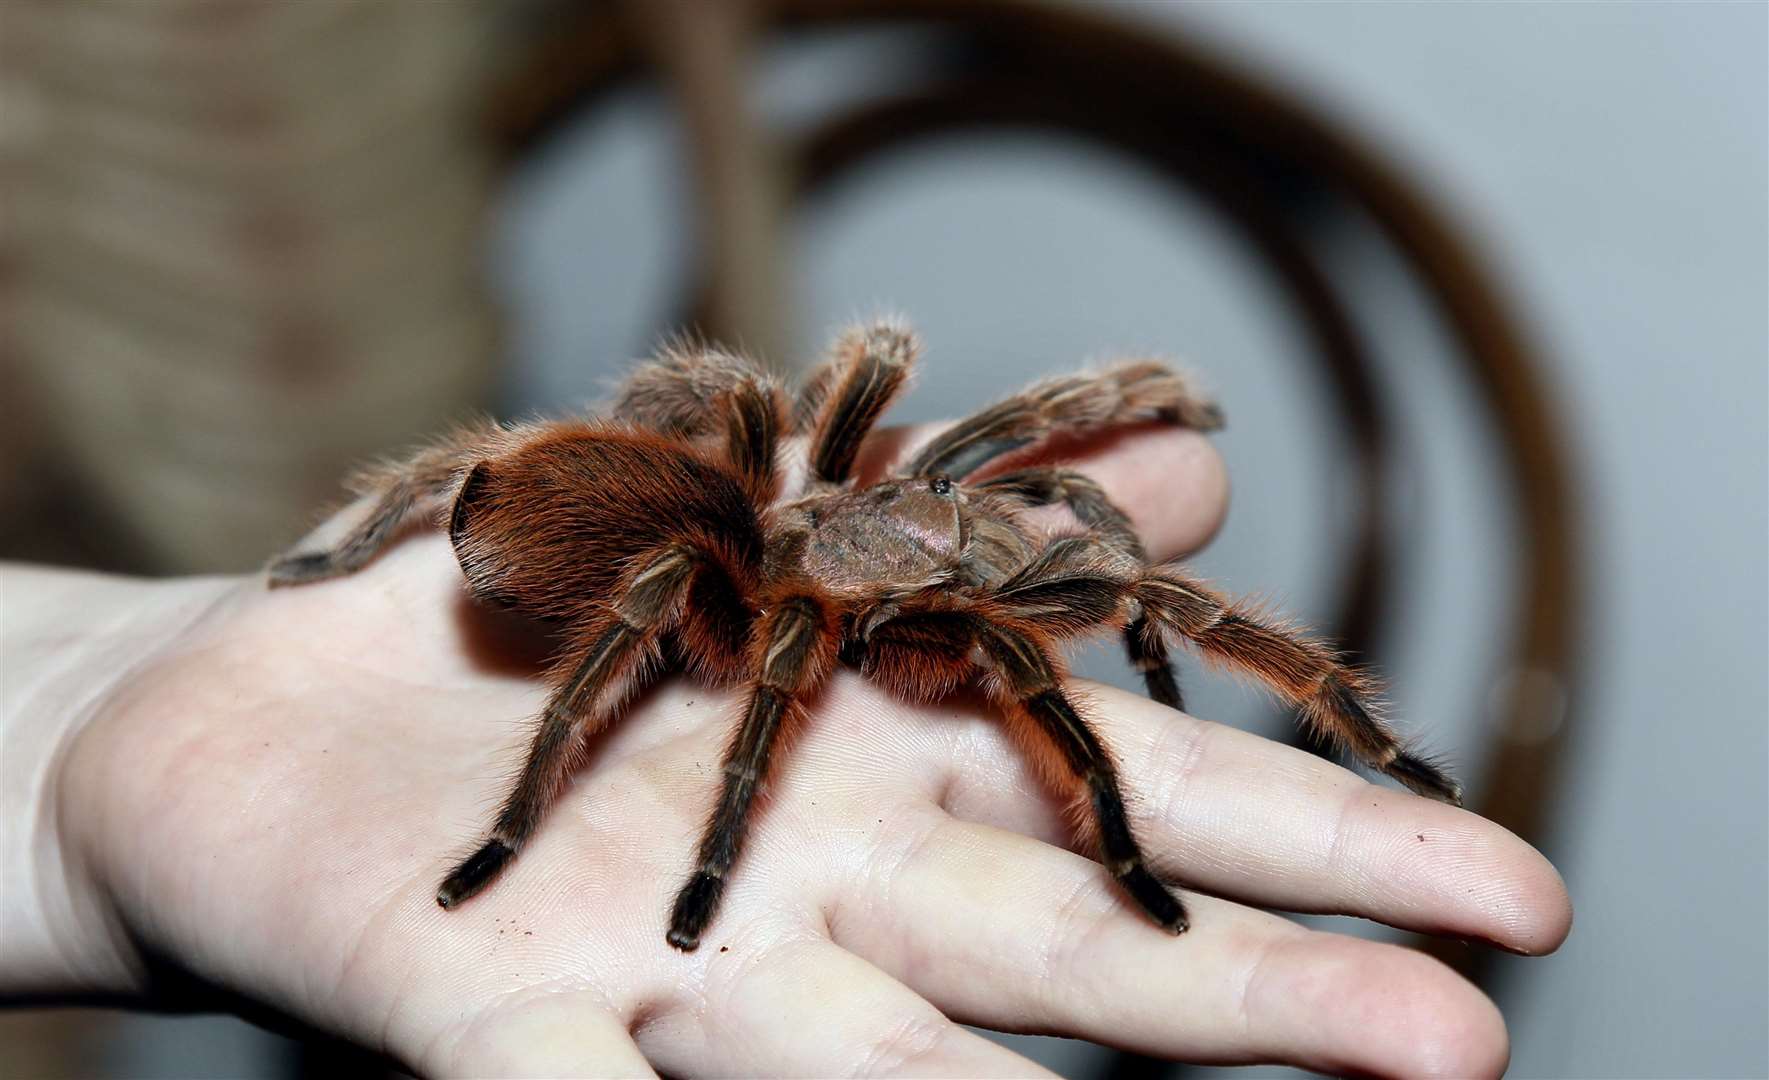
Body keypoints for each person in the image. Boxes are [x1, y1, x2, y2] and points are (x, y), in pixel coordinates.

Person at [0, 424, 1570, 1078]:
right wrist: (704, 851)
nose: (978, 535)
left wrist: (76, 695)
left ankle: (1372, 746)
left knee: (1117, 580)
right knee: (1001, 638)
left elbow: (1058, 482)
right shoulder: (788, 597)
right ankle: (537, 798)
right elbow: (817, 643)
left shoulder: (846, 492)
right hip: (709, 565)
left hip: (732, 529)